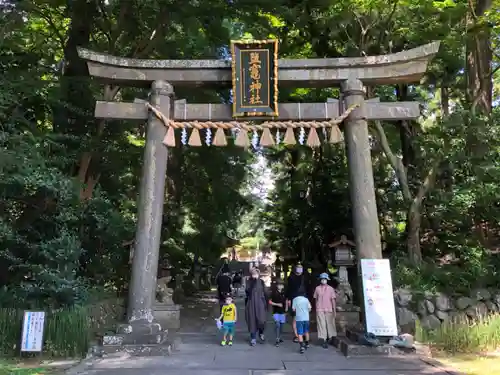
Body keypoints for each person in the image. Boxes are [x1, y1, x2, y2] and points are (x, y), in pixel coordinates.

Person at [313, 272, 337, 348]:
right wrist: (316, 308)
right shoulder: (317, 288)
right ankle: (323, 339)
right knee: (321, 324)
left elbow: (333, 300)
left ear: (327, 280)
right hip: (320, 309)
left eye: (325, 279)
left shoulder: (331, 289)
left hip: (329, 309)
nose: (323, 280)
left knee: (330, 324)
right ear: (320, 280)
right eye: (322, 279)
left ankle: (332, 338)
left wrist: (334, 310)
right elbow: (316, 299)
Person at [245, 268, 267, 346]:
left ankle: (261, 332)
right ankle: (253, 338)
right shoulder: (249, 282)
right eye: (253, 274)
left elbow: (265, 292)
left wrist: (266, 303)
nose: (254, 275)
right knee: (252, 321)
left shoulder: (261, 282)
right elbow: (247, 291)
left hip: (260, 303)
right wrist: (253, 282)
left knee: (261, 320)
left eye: (256, 274)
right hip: (251, 303)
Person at [286, 262, 308, 342]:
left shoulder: (305, 278)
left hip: (304, 299)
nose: (299, 270)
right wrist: (288, 299)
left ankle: (303, 334)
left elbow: (308, 288)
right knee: (295, 318)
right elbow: (288, 289)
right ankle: (297, 335)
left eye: (301, 268)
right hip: (294, 299)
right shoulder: (291, 278)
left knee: (304, 317)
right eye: (298, 268)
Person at [268, 278, 286, 346]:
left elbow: (286, 301)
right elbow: (269, 301)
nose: (280, 286)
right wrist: (277, 304)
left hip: (283, 312)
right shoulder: (273, 293)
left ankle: (279, 337)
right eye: (279, 285)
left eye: (281, 285)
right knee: (277, 325)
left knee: (281, 326)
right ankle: (277, 339)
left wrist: (286, 308)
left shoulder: (284, 293)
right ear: (276, 286)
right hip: (275, 312)